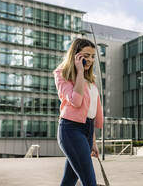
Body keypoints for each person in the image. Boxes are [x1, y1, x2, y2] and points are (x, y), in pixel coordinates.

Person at [53, 38, 104, 186]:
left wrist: (93, 141)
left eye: (93, 56)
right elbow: (76, 101)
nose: (90, 60)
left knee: (69, 181)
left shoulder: (90, 80)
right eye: (86, 56)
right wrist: (79, 71)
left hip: (87, 131)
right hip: (71, 130)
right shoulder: (62, 74)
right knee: (89, 182)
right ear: (76, 56)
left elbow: (90, 113)